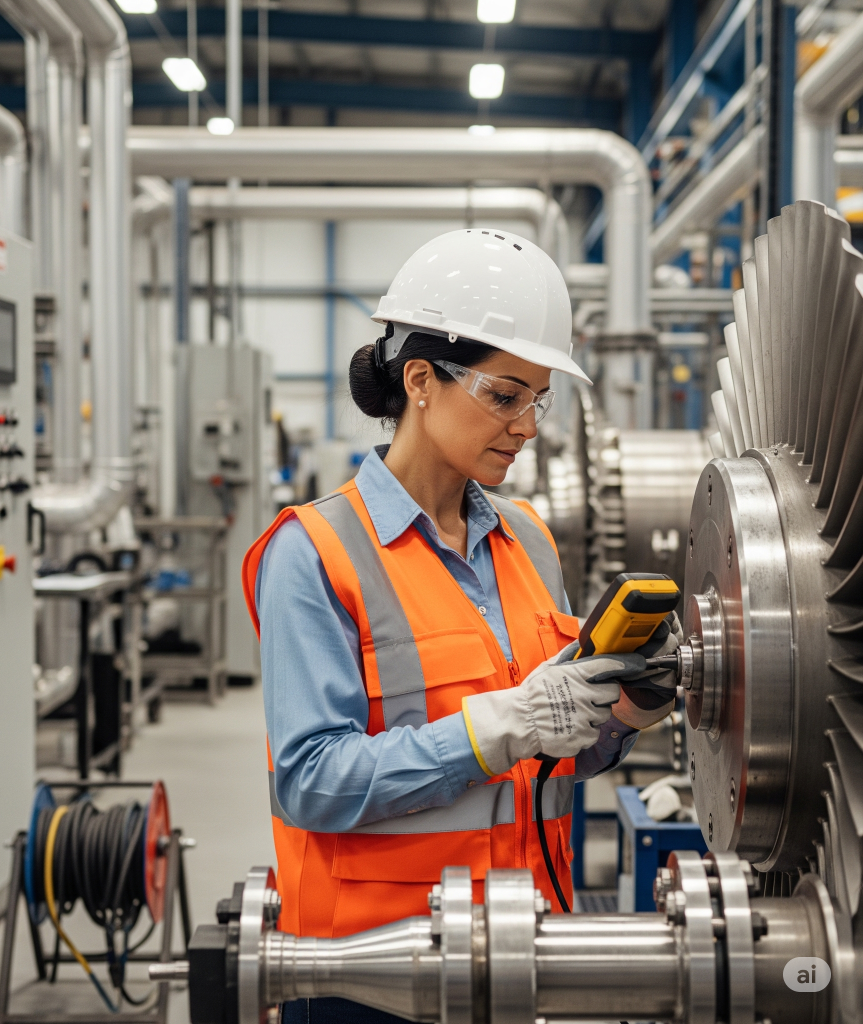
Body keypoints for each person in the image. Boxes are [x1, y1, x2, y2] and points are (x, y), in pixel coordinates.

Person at [242, 229, 679, 1024]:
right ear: (420, 380)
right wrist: (496, 727)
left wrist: (624, 715)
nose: (527, 425)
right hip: (373, 972)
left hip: (529, 951)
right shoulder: (315, 553)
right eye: (505, 395)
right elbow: (309, 781)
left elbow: (547, 768)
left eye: (538, 400)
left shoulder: (531, 543)